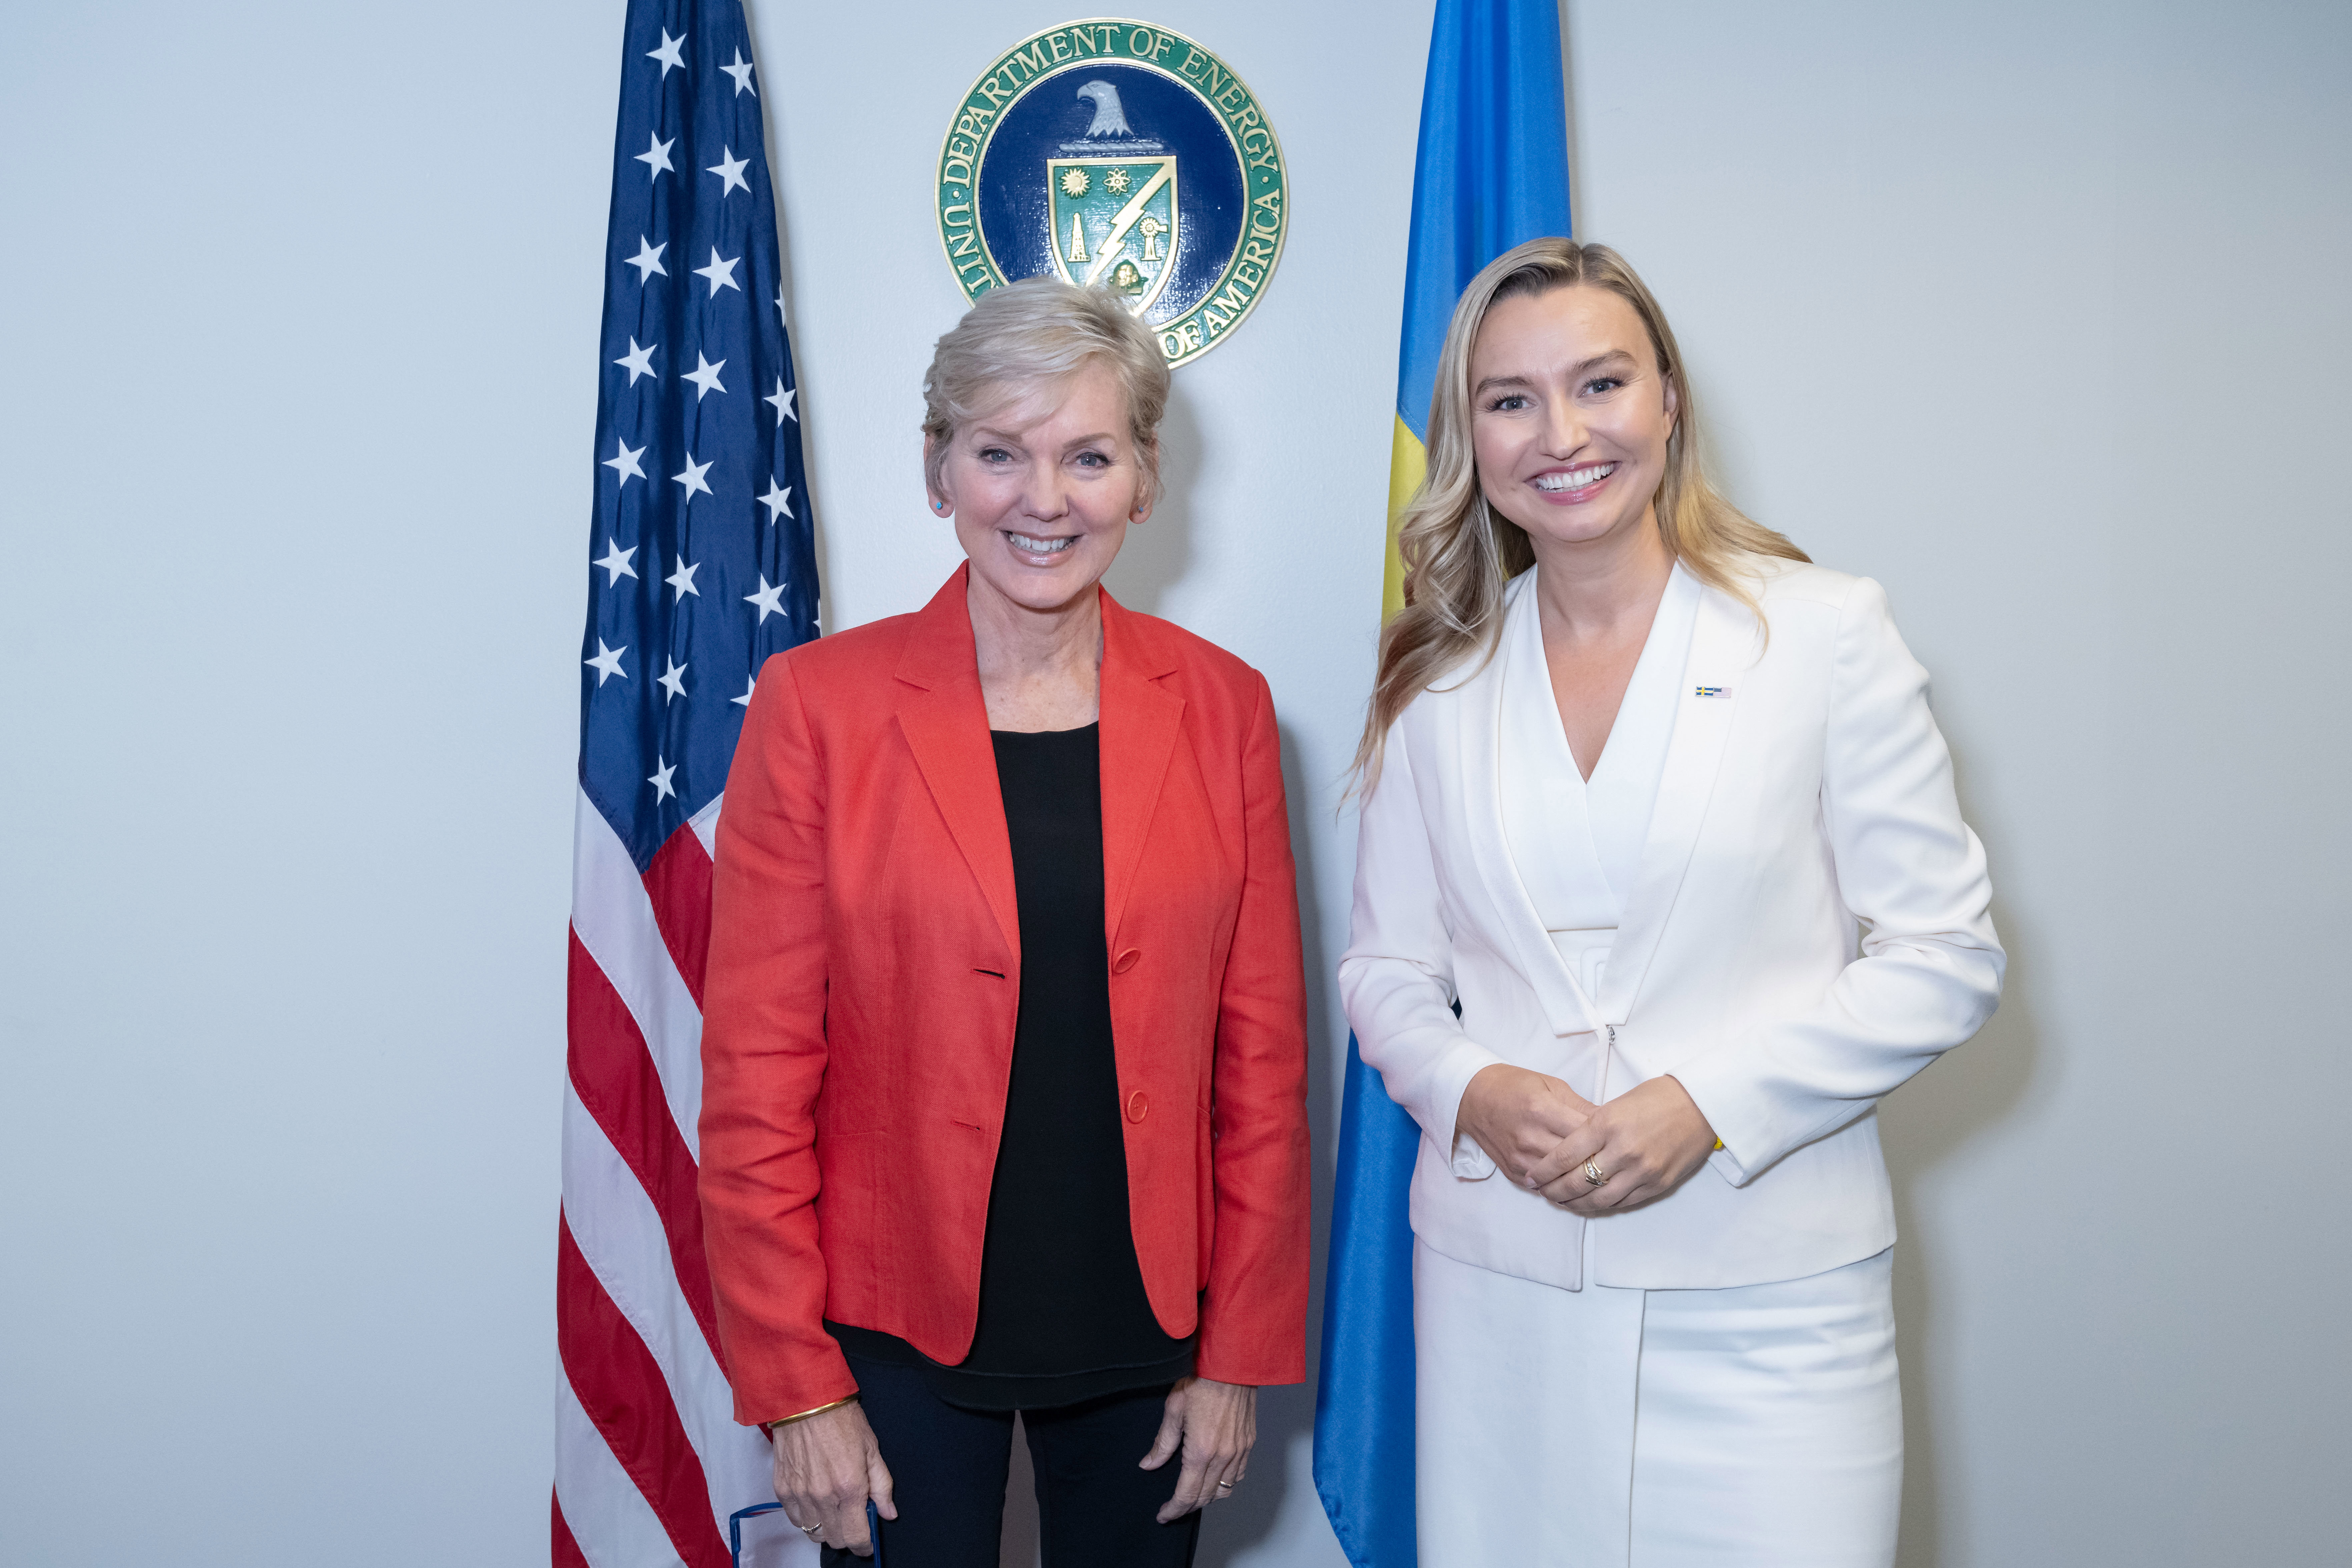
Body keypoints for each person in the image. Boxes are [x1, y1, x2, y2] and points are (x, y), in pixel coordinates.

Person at [1339, 238, 2004, 1565]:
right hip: (1497, 1294)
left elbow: (1943, 957)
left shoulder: (1821, 632)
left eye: (1601, 384)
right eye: (1512, 398)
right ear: (1470, 435)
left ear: (1669, 401)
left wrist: (1705, 1109)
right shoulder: (1437, 677)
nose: (1564, 433)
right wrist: (1471, 1086)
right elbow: (1385, 972)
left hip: (1769, 1306)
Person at [699, 277, 1312, 1565]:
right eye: (999, 453)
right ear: (938, 471)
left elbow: (1261, 1068)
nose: (1045, 499)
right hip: (891, 1332)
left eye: (1089, 456)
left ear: (1145, 479)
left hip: (1153, 1325)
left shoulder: (1226, 708)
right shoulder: (817, 708)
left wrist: (1242, 1352)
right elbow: (755, 1078)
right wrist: (794, 1385)